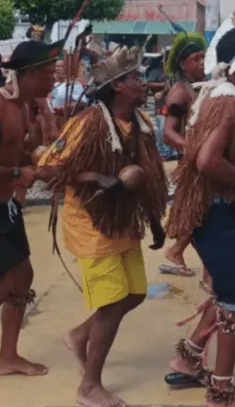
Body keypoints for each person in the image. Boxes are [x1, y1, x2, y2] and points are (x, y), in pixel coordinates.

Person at [38, 45, 168, 407]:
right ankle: (89, 387)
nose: (142, 83)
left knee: (135, 294)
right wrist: (96, 176)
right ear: (116, 86)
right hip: (91, 223)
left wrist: (155, 222)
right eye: (134, 78)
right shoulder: (88, 123)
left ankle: (80, 336)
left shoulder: (140, 125)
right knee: (112, 304)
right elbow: (48, 169)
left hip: (123, 222)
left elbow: (147, 179)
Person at [165, 6, 235, 407]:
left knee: (226, 293)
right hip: (219, 213)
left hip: (210, 212)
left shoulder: (214, 94)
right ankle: (222, 391)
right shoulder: (227, 102)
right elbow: (207, 160)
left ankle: (188, 359)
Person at [0, 39, 62, 376]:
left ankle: (7, 355)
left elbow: (14, 157)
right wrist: (16, 172)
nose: (54, 78)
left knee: (21, 275)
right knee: (12, 279)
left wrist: (38, 167)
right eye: (49, 72)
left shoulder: (24, 108)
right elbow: (10, 166)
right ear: (29, 74)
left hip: (5, 205)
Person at [159, 32, 207, 280]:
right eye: (196, 58)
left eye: (203, 57)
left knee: (202, 211)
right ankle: (177, 251)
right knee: (198, 211)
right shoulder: (179, 92)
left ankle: (178, 252)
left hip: (206, 161)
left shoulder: (205, 87)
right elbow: (168, 134)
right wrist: (195, 150)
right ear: (182, 64)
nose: (202, 62)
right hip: (193, 162)